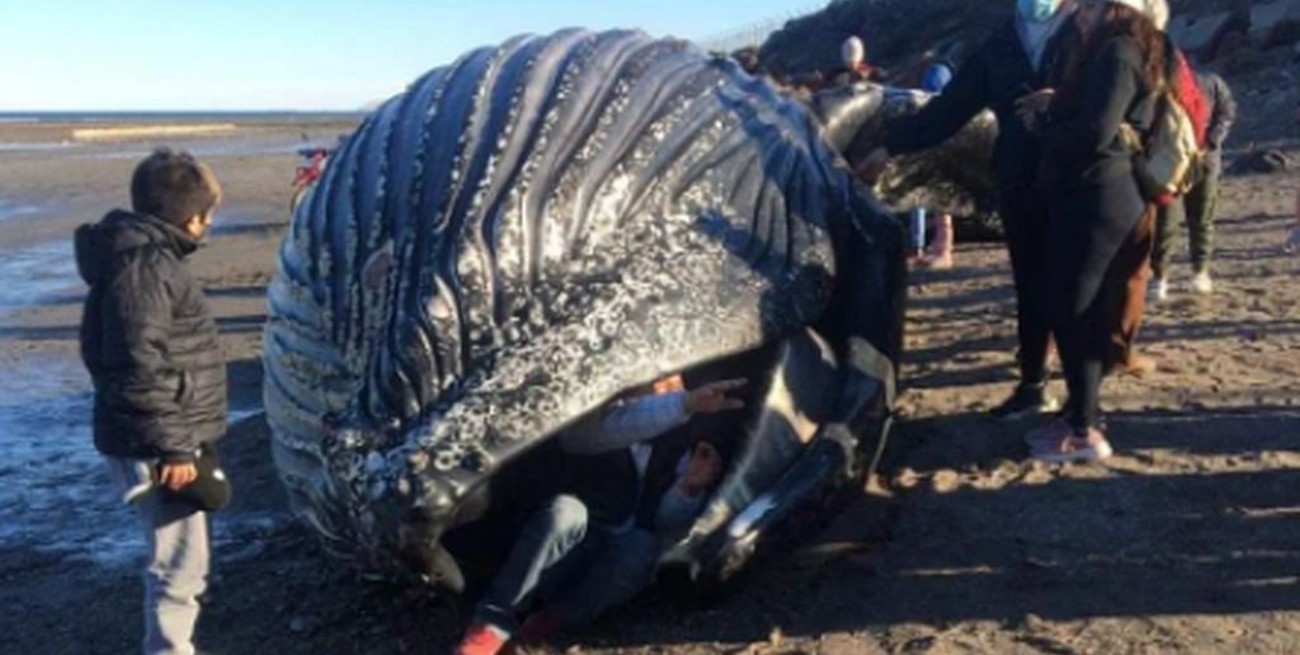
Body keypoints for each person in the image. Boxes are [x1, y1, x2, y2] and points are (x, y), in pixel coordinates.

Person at [857, 0, 1080, 420]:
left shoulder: (1089, 31)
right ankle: (1033, 384)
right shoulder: (999, 45)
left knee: (1076, 287)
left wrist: (1065, 100)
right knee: (1032, 286)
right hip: (1020, 183)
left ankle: (1083, 402)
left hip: (1079, 181)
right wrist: (889, 147)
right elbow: (946, 112)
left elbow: (1120, 92)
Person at [455, 376, 747, 655]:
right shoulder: (590, 417)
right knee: (565, 512)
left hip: (603, 566)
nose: (668, 386)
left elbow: (663, 522)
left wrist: (688, 489)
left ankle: (553, 621)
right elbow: (588, 437)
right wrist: (681, 405)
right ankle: (493, 624)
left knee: (642, 547)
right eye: (659, 378)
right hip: (553, 552)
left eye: (674, 379)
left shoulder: (684, 441)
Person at [75, 148, 227, 655]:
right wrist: (174, 449)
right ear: (192, 217)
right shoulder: (144, 268)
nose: (207, 226)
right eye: (207, 216)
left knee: (184, 557)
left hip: (164, 432)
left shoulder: (143, 259)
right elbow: (136, 363)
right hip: (157, 441)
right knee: (179, 562)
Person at [1022, 0, 1169, 461]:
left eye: (1086, 6)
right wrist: (1058, 102)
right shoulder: (1127, 49)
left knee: (1076, 309)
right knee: (1079, 307)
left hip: (1098, 195)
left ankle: (1083, 430)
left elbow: (1095, 132)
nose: (1077, 14)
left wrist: (1042, 123)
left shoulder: (1118, 51)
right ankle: (1081, 413)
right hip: (1104, 194)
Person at [1150, 67, 1237, 299]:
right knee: (1168, 221)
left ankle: (1199, 271)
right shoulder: (1162, 85)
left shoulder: (1210, 82)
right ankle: (1161, 275)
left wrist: (1211, 141)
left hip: (1202, 158)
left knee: (1200, 218)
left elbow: (1226, 112)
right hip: (1173, 160)